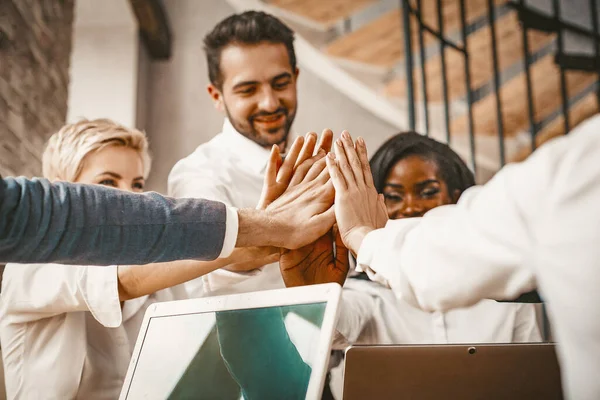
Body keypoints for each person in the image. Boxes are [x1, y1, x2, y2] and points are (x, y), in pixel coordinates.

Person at [0, 119, 333, 399]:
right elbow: (123, 280)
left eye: (138, 184)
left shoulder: (161, 288)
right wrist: (262, 231)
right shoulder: (30, 268)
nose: (129, 198)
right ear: (71, 196)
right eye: (107, 184)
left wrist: (264, 238)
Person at [326, 118, 600, 400]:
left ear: (457, 198)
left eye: (428, 191)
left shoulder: (507, 285)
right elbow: (326, 335)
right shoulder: (365, 295)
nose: (410, 207)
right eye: (394, 196)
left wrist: (364, 235)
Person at [168, 11, 337, 297]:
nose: (270, 103)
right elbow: (195, 287)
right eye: (248, 90)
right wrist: (266, 229)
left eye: (280, 83)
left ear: (296, 78)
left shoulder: (325, 163)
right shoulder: (199, 175)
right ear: (216, 96)